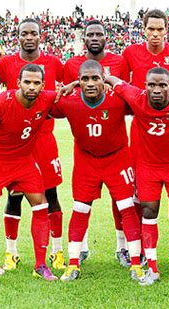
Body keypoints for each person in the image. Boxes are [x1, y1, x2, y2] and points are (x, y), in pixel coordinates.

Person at [105, 67, 169, 286]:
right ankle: (152, 268)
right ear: (145, 86)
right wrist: (98, 79)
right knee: (149, 212)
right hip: (147, 167)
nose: (156, 90)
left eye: (162, 85)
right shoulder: (136, 97)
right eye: (152, 85)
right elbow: (115, 81)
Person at [51, 60, 143, 282]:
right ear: (78, 82)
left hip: (118, 158)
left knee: (127, 208)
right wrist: (70, 85)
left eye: (96, 78)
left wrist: (113, 80)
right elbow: (39, 101)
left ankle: (136, 263)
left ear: (104, 80)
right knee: (80, 209)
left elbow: (139, 97)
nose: (90, 83)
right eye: (84, 79)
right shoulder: (68, 101)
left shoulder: (118, 99)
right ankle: (73, 264)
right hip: (86, 161)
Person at [0, 64, 58, 287]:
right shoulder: (0, 102)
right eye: (27, 82)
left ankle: (41, 266)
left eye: (36, 83)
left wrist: (74, 85)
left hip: (23, 161)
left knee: (41, 204)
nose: (32, 86)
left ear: (43, 85)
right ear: (18, 83)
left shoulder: (46, 98)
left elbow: (62, 93)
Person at [0, 18, 66, 271]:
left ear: (40, 36)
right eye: (24, 33)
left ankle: (56, 252)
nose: (29, 38)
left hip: (44, 139)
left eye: (33, 33)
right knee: (14, 197)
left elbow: (66, 91)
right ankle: (11, 252)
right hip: (15, 144)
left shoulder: (55, 63)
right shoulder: (4, 64)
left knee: (51, 195)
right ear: (18, 36)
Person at [122, 9, 169, 267]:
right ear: (144, 29)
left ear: (167, 30)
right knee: (140, 197)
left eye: (160, 29)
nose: (155, 34)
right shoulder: (131, 54)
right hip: (141, 135)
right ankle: (138, 251)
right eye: (151, 29)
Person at [63, 20, 131, 267]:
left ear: (106, 38)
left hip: (115, 139)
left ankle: (122, 247)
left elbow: (124, 94)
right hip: (85, 144)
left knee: (121, 199)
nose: (94, 38)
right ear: (84, 39)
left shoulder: (120, 61)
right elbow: (69, 96)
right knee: (82, 198)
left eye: (99, 34)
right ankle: (81, 248)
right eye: (90, 34)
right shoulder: (71, 64)